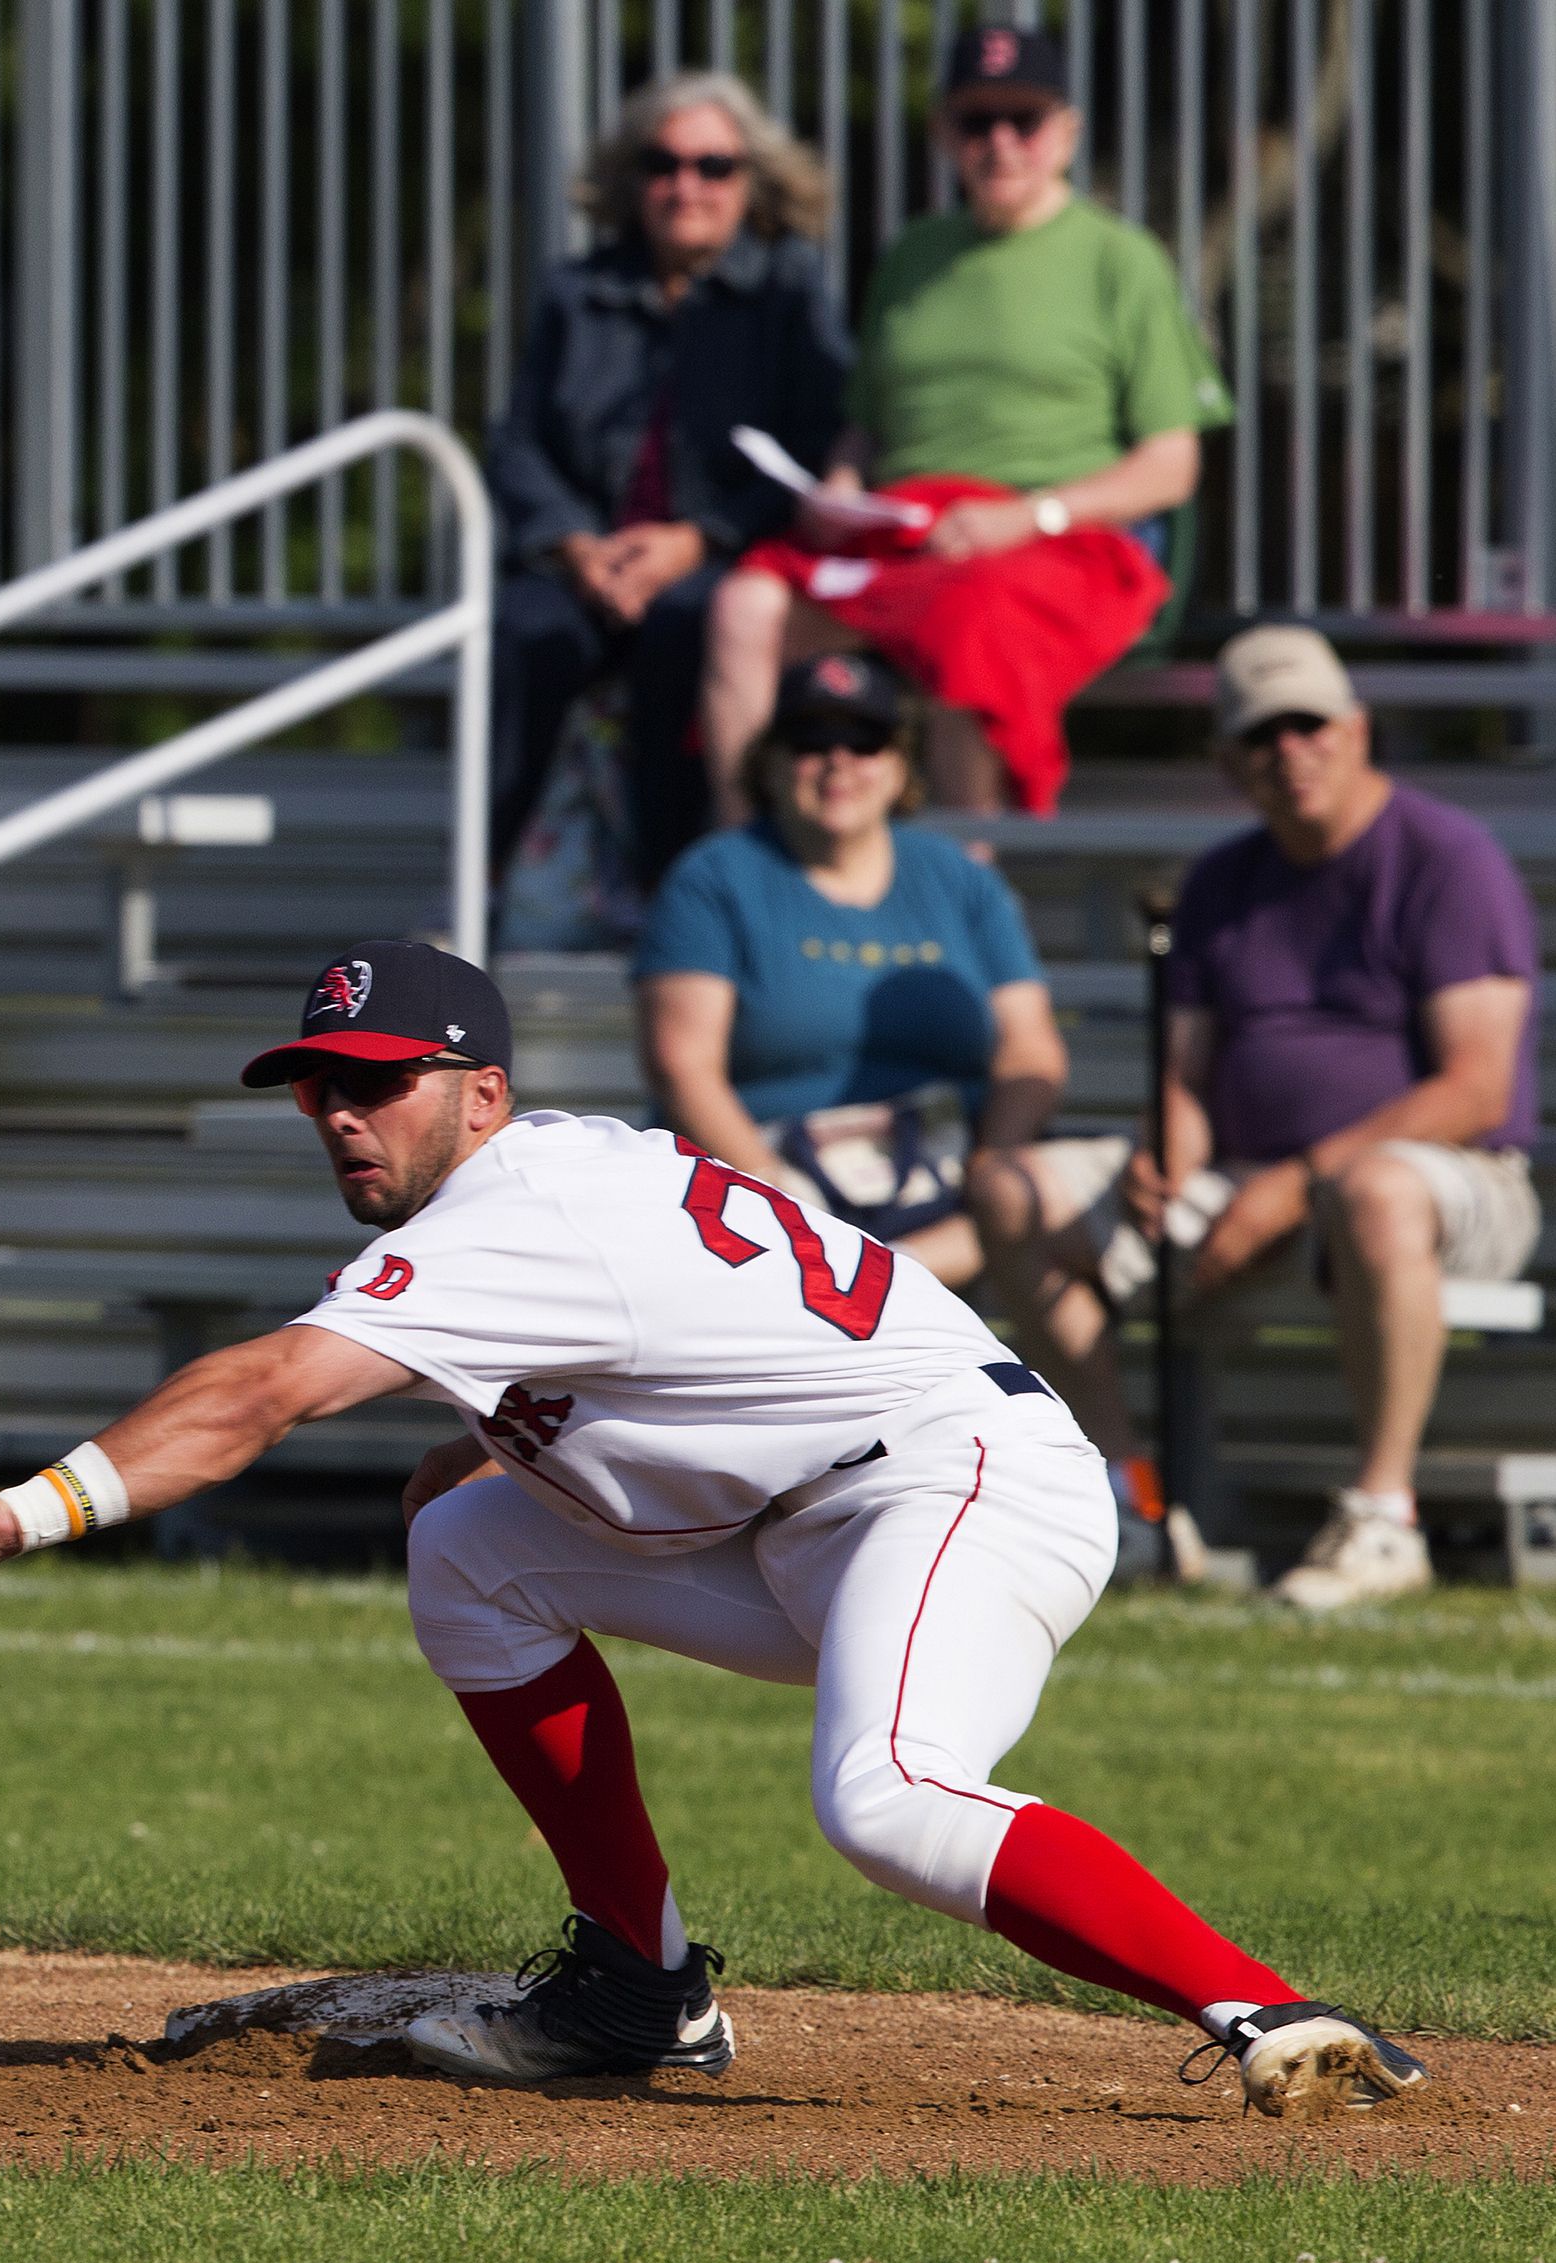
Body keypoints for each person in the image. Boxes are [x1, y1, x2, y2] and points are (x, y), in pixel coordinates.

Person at [0, 940, 1423, 2119]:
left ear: (484, 1092)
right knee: (463, 1545)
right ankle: (638, 1984)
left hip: (957, 1479)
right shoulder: (538, 1188)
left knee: (890, 1795)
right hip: (809, 1518)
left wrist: (15, 1511)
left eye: (381, 1079)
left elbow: (264, 1388)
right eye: (319, 1080)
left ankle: (1269, 2007)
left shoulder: (517, 1209)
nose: (342, 1108)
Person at [980, 627, 1540, 1612]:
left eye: (1309, 724)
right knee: (1008, 1190)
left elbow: (1476, 1088)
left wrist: (1289, 1188)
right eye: (1263, 733)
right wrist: (1170, 1152)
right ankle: (1131, 1496)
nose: (1291, 749)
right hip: (1244, 1174)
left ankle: (1383, 1516)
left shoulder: (1447, 859)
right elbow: (1188, 1069)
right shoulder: (1221, 883)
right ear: (1228, 761)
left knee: (1372, 1188)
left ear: (1357, 731)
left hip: (1452, 1183)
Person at [630, 653, 1196, 1573]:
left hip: (947, 1188)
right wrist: (780, 1195)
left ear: (900, 763)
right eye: (812, 740)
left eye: (864, 740)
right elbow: (684, 1065)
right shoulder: (716, 878)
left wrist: (998, 1159)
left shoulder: (957, 881)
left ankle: (1123, 1492)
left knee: (1028, 1208)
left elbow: (1030, 1052)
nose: (838, 761)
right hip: (773, 1181)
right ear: (772, 759)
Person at [704, 23, 1229, 824]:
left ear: (1068, 132)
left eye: (1025, 119)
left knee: (969, 622)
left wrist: (1025, 514)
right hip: (906, 537)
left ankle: (968, 875)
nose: (1002, 143)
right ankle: (746, 855)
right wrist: (840, 486)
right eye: (978, 121)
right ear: (943, 133)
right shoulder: (912, 256)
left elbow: (1170, 464)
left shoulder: (1123, 262)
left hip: (1052, 545)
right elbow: (867, 426)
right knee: (743, 606)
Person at [485, 69, 849, 893]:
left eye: (713, 167)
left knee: (693, 627)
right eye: (664, 165)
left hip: (715, 561)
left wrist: (700, 539)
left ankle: (674, 889)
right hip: (586, 563)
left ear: (751, 180)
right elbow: (517, 445)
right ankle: (483, 880)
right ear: (633, 178)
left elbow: (813, 449)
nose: (687, 187)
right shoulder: (577, 291)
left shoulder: (788, 289)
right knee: (520, 632)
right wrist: (575, 545)